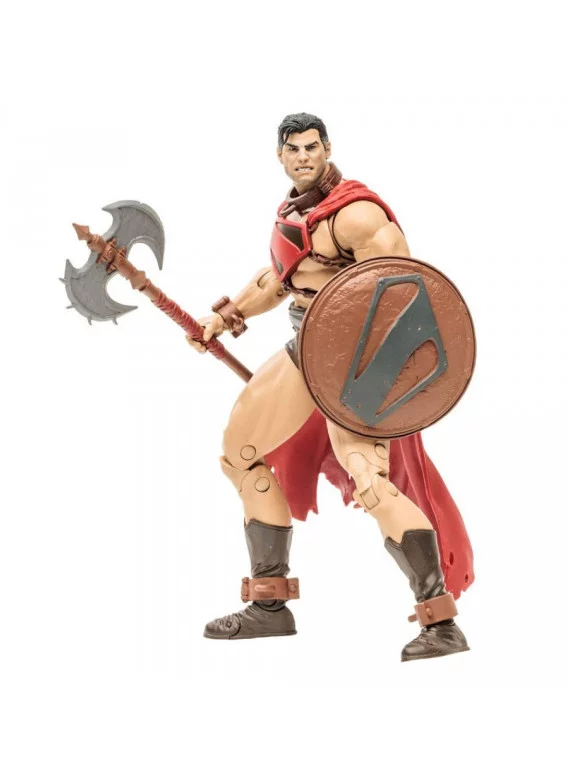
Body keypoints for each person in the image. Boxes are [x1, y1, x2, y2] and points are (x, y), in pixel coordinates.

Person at [188, 113, 473, 661]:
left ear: (327, 149)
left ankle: (440, 623)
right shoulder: (296, 212)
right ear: (280, 156)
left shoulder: (358, 215)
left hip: (355, 367)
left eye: (312, 147)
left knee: (370, 481)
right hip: (304, 350)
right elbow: (281, 279)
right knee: (240, 454)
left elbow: (403, 296)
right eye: (293, 149)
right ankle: (269, 606)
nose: (303, 156)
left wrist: (366, 381)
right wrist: (223, 317)